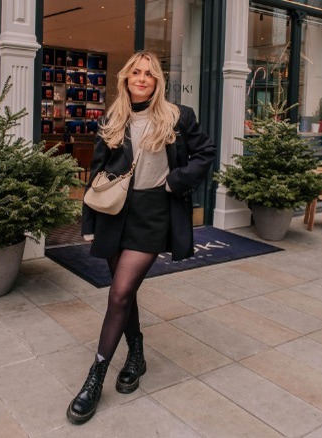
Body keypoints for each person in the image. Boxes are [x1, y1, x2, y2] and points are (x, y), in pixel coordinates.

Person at [66, 51, 216, 425]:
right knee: (124, 291)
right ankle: (136, 354)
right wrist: (88, 221)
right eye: (137, 72)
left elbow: (205, 152)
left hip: (154, 213)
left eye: (149, 73)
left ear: (157, 79)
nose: (143, 78)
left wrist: (175, 181)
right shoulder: (112, 117)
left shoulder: (178, 116)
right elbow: (97, 172)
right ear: (127, 78)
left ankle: (95, 376)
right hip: (116, 212)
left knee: (118, 292)